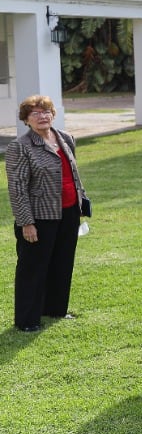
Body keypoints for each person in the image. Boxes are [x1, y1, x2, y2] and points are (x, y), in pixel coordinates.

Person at [6, 95, 87, 331]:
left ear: (53, 114)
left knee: (62, 263)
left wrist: (80, 205)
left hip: (69, 212)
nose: (42, 117)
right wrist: (26, 223)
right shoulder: (19, 147)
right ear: (26, 120)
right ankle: (27, 321)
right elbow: (17, 188)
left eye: (46, 112)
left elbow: (71, 174)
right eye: (35, 113)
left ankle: (55, 310)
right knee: (33, 268)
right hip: (39, 217)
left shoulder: (66, 138)